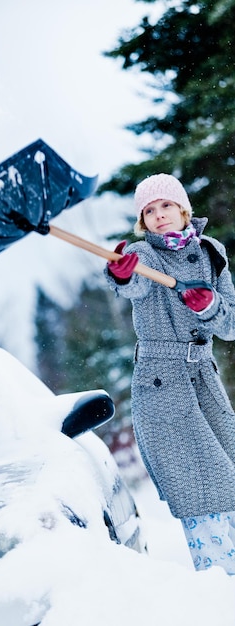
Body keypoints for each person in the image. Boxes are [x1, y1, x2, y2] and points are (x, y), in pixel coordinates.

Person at [104, 173, 235, 575]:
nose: (159, 215)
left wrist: (208, 306)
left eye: (165, 206)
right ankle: (219, 581)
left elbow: (230, 326)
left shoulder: (212, 253)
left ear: (183, 209)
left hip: (204, 379)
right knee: (202, 486)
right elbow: (131, 285)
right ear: (143, 222)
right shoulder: (145, 254)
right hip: (163, 384)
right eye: (149, 210)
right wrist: (122, 272)